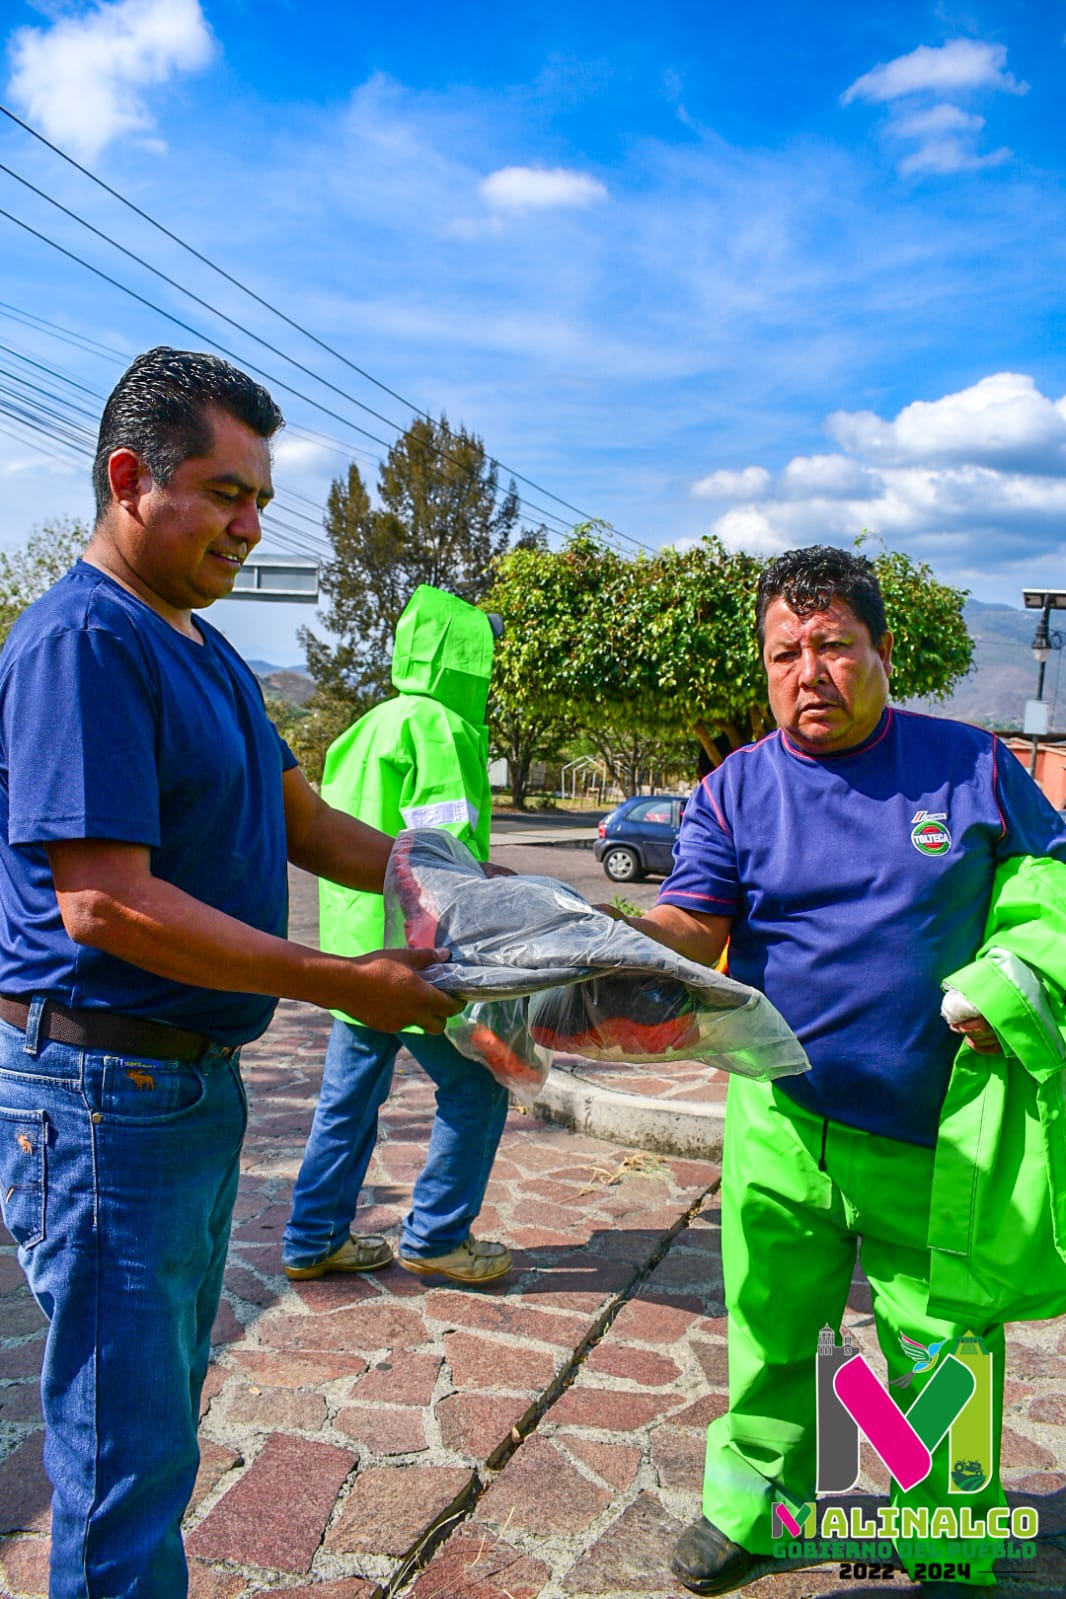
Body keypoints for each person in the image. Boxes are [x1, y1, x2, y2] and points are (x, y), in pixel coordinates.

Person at [0, 347, 461, 1599]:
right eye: (222, 493)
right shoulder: (83, 643)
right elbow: (102, 901)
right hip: (101, 1095)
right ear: (129, 479)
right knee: (121, 1454)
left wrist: (443, 886)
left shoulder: (200, 646)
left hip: (185, 1090)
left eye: (259, 499)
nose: (249, 526)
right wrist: (339, 979)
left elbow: (300, 816)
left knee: (157, 1425)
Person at [615, 546, 1066, 1598]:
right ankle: (756, 1511)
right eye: (783, 653)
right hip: (779, 1119)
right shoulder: (735, 786)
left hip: (928, 1133)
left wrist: (1012, 977)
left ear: (881, 652)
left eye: (830, 647)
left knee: (938, 1349)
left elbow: (1048, 889)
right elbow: (695, 916)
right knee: (773, 1331)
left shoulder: (971, 767)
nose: (805, 673)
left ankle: (946, 1535)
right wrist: (621, 942)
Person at [282, 585, 512, 1286]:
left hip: (358, 951)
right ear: (464, 656)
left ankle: (312, 1236)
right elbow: (443, 848)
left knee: (348, 1099)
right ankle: (438, 1233)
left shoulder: (366, 726)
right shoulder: (442, 728)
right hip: (418, 952)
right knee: (478, 1090)